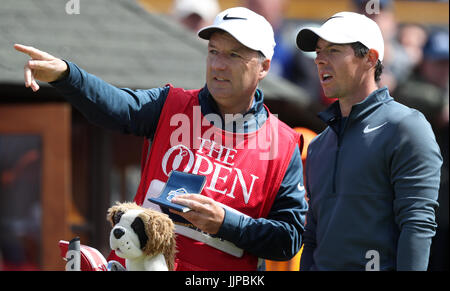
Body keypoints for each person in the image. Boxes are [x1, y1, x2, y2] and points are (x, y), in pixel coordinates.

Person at [14, 7, 308, 271]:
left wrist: (226, 224)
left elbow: (289, 238)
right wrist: (68, 76)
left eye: (234, 55)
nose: (218, 64)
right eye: (213, 51)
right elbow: (116, 106)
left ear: (264, 67)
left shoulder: (282, 144)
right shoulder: (171, 104)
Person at [296, 11, 442, 270]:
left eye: (333, 50)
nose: (320, 61)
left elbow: (417, 225)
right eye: (318, 52)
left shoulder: (406, 127)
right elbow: (312, 237)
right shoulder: (318, 145)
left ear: (370, 58)